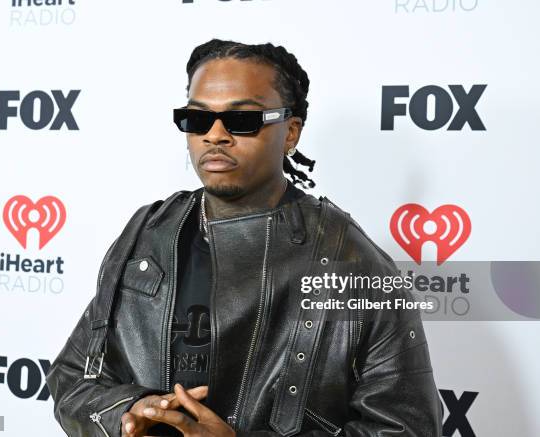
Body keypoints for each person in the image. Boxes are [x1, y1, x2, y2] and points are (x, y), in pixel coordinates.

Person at [46, 38, 443, 437]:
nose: (215, 135)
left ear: (290, 132)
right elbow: (71, 379)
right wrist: (130, 411)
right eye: (197, 119)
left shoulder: (349, 260)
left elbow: (409, 428)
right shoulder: (147, 233)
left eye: (242, 120)